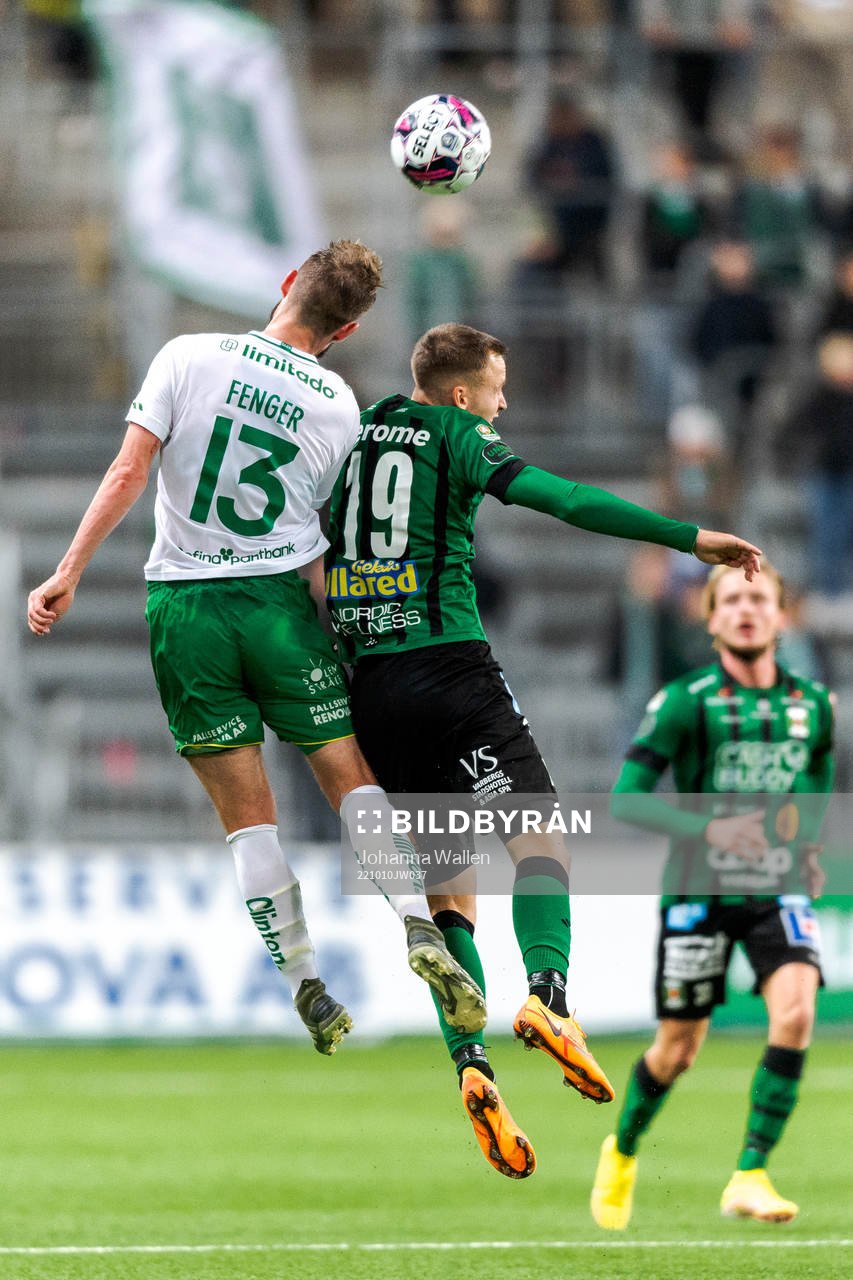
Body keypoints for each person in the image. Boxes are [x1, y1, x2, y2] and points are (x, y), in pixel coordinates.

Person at [26, 241, 486, 1057]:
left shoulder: (188, 355)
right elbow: (323, 545)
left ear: (286, 288)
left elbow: (130, 470)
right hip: (278, 607)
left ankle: (303, 979)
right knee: (349, 778)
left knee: (248, 822)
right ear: (343, 332)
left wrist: (68, 572)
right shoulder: (339, 406)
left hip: (185, 608)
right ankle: (417, 922)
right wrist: (351, 633)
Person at [324, 322, 762, 1178]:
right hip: (448, 665)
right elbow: (560, 498)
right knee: (538, 835)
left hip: (369, 684)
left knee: (449, 892)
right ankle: (551, 998)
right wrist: (686, 538)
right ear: (460, 395)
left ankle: (471, 1065)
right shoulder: (458, 432)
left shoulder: (358, 428)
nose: (503, 403)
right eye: (495, 389)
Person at [591, 561, 834, 1228]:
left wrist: (806, 846)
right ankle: (624, 1147)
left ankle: (750, 1172)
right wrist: (710, 828)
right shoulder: (684, 701)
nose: (745, 609)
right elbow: (626, 801)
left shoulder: (810, 705)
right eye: (730, 599)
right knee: (677, 1050)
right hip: (696, 891)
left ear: (782, 615)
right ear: (711, 618)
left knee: (794, 1013)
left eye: (758, 598)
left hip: (774, 887)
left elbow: (814, 774)